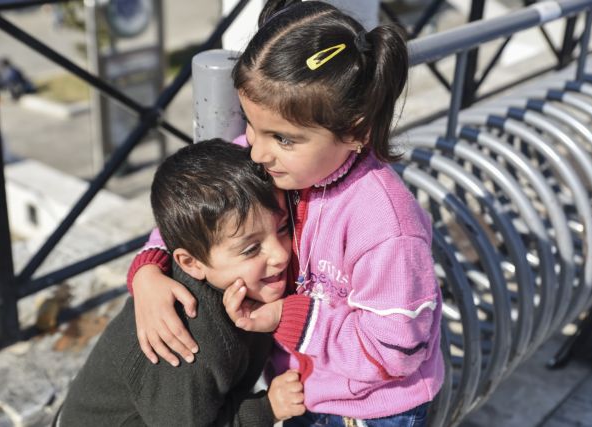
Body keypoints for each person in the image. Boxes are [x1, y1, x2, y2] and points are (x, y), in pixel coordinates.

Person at [128, 1, 444, 425]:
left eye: (284, 138)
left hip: (371, 408)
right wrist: (149, 270)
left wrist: (290, 318)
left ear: (356, 130)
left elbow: (398, 350)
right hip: (300, 389)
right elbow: (200, 212)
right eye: (251, 125)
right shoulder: (273, 162)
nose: (257, 151)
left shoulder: (386, 227)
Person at [58, 139, 305, 426]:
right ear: (191, 263)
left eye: (283, 228)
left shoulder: (230, 275)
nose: (280, 254)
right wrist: (267, 409)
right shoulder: (190, 339)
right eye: (251, 249)